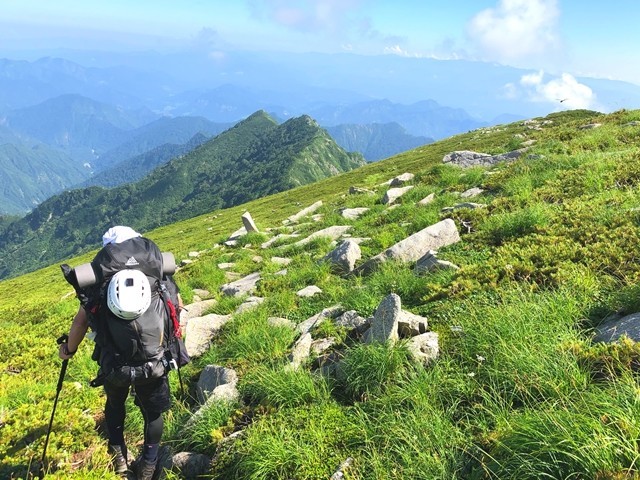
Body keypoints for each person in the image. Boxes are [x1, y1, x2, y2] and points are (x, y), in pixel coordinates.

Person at [59, 226, 181, 479]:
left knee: (115, 404)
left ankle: (120, 460)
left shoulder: (100, 281)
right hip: (155, 362)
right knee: (153, 412)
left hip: (114, 365)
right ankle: (148, 465)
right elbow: (176, 309)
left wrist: (68, 350)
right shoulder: (158, 275)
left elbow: (81, 322)